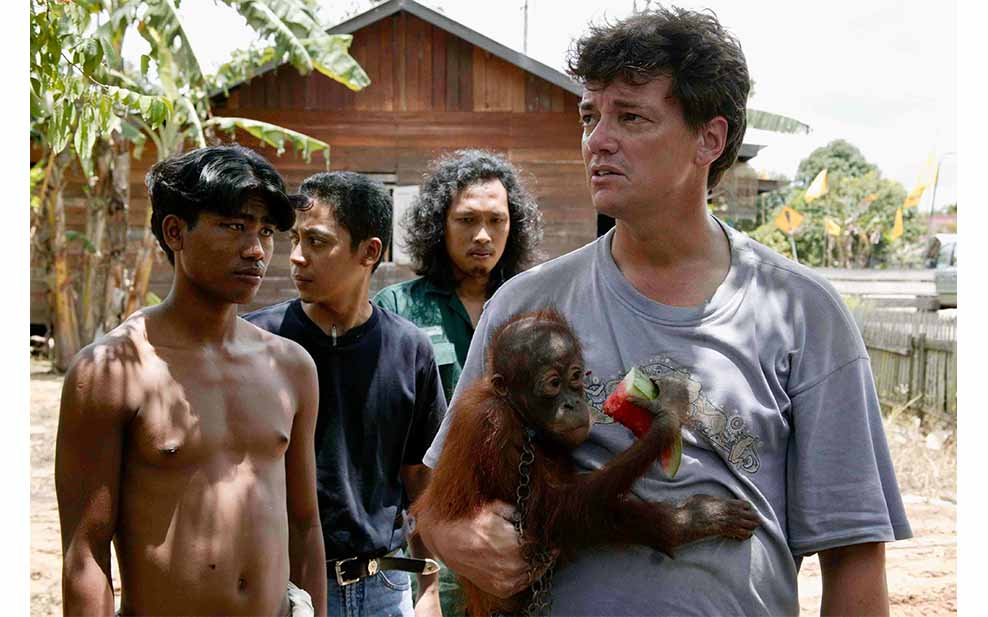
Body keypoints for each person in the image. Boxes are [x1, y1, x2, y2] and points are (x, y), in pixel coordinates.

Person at [415, 7, 912, 617]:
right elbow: (442, 506)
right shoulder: (524, 311)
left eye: (630, 116)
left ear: (711, 138)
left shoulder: (802, 314)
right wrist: (457, 539)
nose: (598, 140)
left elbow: (854, 553)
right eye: (590, 116)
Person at [55, 144, 326, 616]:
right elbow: (86, 552)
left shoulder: (291, 368)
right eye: (234, 226)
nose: (256, 250)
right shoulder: (112, 371)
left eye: (265, 231)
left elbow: (305, 527)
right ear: (175, 231)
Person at [244, 171, 446, 617]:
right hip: (284, 586)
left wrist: (428, 587)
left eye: (316, 242)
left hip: (386, 588)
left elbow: (419, 481)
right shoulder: (258, 343)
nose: (296, 257)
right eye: (294, 239)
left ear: (369, 252)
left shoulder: (410, 349)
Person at [373, 149, 544, 403]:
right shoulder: (396, 307)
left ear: (513, 227)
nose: (483, 235)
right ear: (440, 224)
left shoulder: (534, 305)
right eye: (467, 219)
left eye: (496, 220)